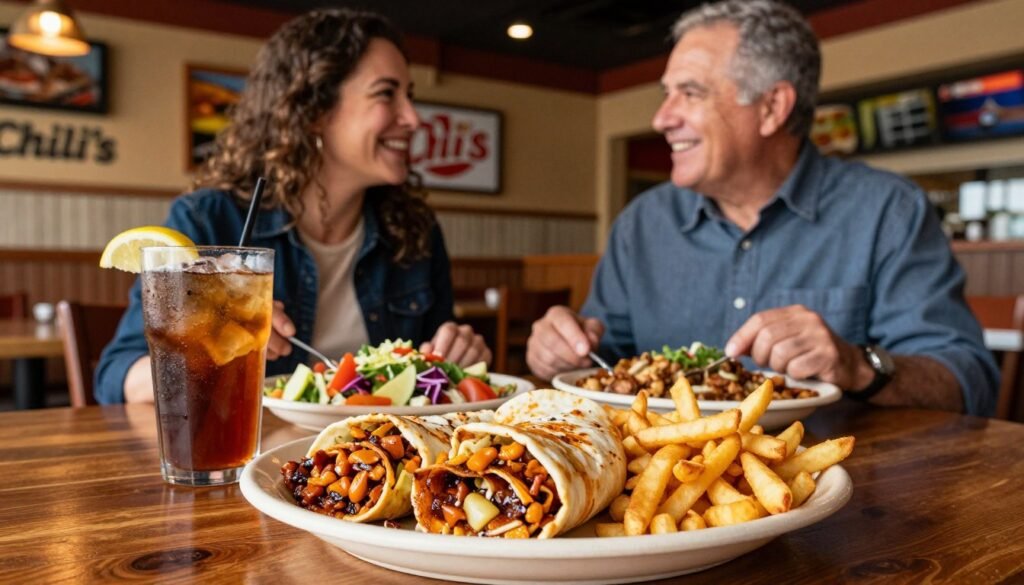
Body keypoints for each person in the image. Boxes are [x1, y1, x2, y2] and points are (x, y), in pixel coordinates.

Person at [527, 0, 998, 416]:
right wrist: (565, 351)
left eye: (690, 93)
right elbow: (603, 363)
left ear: (772, 108)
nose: (662, 118)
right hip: (657, 501)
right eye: (666, 93)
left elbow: (967, 382)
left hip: (848, 491)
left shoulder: (888, 211)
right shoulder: (643, 223)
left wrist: (856, 365)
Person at [96, 9, 490, 404]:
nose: (413, 118)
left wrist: (460, 354)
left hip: (377, 457)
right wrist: (210, 348)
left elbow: (437, 378)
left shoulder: (415, 230)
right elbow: (117, 379)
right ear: (316, 111)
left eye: (410, 96)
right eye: (387, 93)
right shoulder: (209, 220)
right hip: (253, 457)